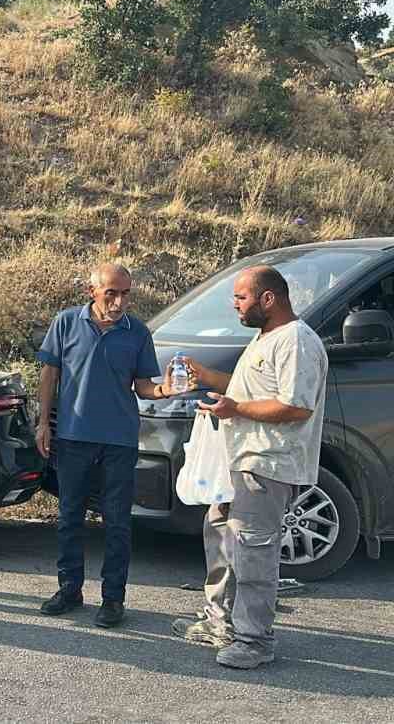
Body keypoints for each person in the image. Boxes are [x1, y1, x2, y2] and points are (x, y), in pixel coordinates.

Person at [172, 266, 328, 670]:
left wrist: (235, 408)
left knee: (255, 554)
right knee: (224, 540)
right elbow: (250, 391)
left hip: (268, 465)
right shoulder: (267, 338)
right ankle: (221, 622)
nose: (235, 305)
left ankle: (255, 641)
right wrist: (207, 379)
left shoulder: (295, 341)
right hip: (240, 461)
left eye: (241, 298)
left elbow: (296, 406)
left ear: (268, 299)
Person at [35, 263, 165, 627]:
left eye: (125, 293)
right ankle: (69, 590)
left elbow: (143, 386)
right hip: (74, 437)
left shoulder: (137, 332)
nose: (119, 301)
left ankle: (113, 599)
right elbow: (49, 374)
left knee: (118, 522)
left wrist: (165, 389)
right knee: (69, 517)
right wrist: (43, 423)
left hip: (119, 441)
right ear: (92, 291)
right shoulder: (65, 323)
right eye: (112, 293)